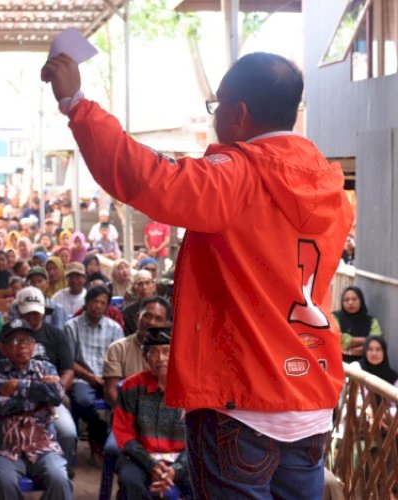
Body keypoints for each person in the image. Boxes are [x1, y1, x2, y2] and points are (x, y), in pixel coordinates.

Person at [43, 50, 353, 497]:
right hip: (311, 399)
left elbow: (146, 177)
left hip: (241, 401)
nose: (215, 117)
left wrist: (76, 102)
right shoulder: (329, 185)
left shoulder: (238, 175)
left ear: (239, 112)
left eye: (217, 106)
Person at [0, 286, 78, 472]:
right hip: (15, 406)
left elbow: (67, 371)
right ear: (18, 311)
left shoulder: (55, 334)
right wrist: (37, 391)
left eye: (38, 313)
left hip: (51, 399)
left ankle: (65, 470)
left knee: (68, 433)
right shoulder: (4, 336)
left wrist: (22, 386)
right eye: (28, 314)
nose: (34, 318)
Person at [0, 319, 73, 500]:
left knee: (60, 479)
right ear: (3, 347)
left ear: (34, 345)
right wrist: (38, 396)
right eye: (15, 341)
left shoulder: (45, 366)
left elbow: (56, 396)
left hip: (43, 444)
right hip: (5, 446)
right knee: (4, 481)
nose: (22, 346)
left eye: (27, 341)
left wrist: (17, 386)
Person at [113, 328, 191, 499]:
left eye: (166, 351)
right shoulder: (131, 387)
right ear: (145, 357)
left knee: (205, 484)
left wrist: (175, 470)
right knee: (130, 482)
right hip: (140, 458)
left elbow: (198, 439)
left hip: (184, 460)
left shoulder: (191, 389)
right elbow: (124, 433)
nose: (161, 359)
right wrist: (151, 465)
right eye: (154, 352)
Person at [65, 285, 123, 458]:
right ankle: (97, 433)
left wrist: (108, 378)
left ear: (107, 307)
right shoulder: (72, 326)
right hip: (83, 378)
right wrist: (91, 377)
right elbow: (68, 361)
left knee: (122, 402)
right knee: (82, 400)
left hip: (109, 377)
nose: (98, 306)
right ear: (86, 303)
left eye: (102, 303)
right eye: (94, 301)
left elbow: (119, 360)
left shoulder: (114, 328)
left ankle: (111, 445)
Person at [103, 297, 172, 407]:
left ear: (166, 325)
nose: (151, 322)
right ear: (137, 318)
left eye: (158, 319)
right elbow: (111, 391)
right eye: (147, 316)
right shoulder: (118, 348)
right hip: (126, 412)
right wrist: (127, 416)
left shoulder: (172, 352)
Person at [333, 286, 382, 363]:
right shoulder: (335, 317)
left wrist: (349, 351)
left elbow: (376, 343)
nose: (350, 303)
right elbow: (336, 339)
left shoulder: (371, 321)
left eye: (354, 299)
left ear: (361, 301)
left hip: (365, 365)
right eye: (346, 300)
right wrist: (366, 341)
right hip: (339, 363)